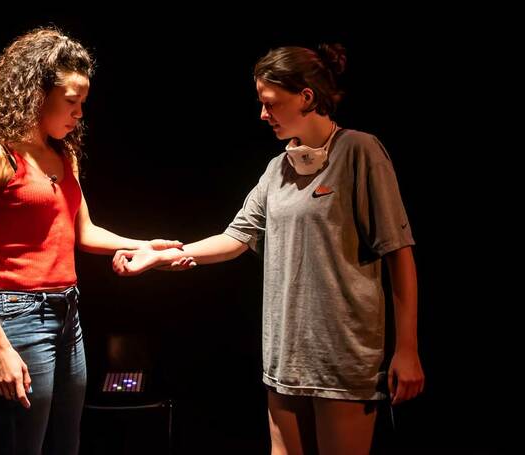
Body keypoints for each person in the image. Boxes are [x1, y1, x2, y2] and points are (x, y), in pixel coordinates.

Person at [113, 44, 425, 454]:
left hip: (342, 358)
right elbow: (234, 238)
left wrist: (407, 349)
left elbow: (398, 254)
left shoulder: (360, 152)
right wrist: (163, 256)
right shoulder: (277, 169)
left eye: (271, 103)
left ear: (307, 97)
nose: (263, 114)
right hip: (285, 357)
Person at [0, 26, 185, 455]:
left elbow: (84, 233)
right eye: (72, 102)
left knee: (66, 445)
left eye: (83, 104)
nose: (79, 113)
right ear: (37, 93)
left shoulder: (64, 155)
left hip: (68, 313)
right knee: (23, 446)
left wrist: (143, 245)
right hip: (16, 316)